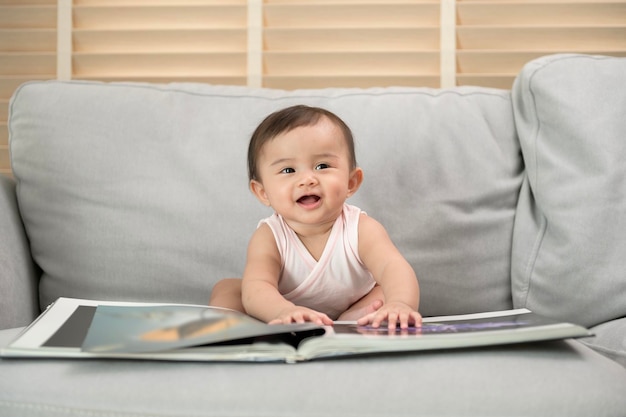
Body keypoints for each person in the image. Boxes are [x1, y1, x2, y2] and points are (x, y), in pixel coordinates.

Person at [209, 105, 421, 329]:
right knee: (229, 290)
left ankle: (350, 318)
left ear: (351, 182)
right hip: (282, 306)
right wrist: (284, 310)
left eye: (322, 166)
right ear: (263, 192)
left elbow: (393, 267)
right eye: (288, 170)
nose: (307, 179)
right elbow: (258, 286)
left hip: (355, 301)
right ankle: (229, 331)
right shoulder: (269, 236)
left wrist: (400, 303)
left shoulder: (361, 229)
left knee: (385, 292)